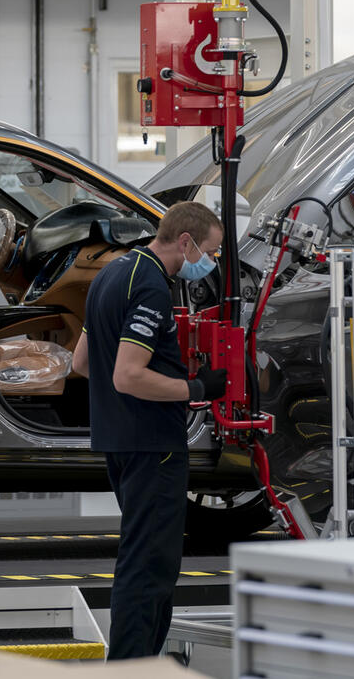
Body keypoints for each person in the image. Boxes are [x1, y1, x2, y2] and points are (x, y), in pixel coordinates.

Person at [70, 201, 227, 660]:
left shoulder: (111, 272)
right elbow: (128, 376)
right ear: (186, 242)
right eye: (211, 252)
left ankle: (143, 662)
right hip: (152, 446)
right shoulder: (153, 287)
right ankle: (130, 668)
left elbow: (81, 363)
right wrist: (195, 386)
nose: (210, 262)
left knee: (150, 563)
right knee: (148, 569)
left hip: (120, 443)